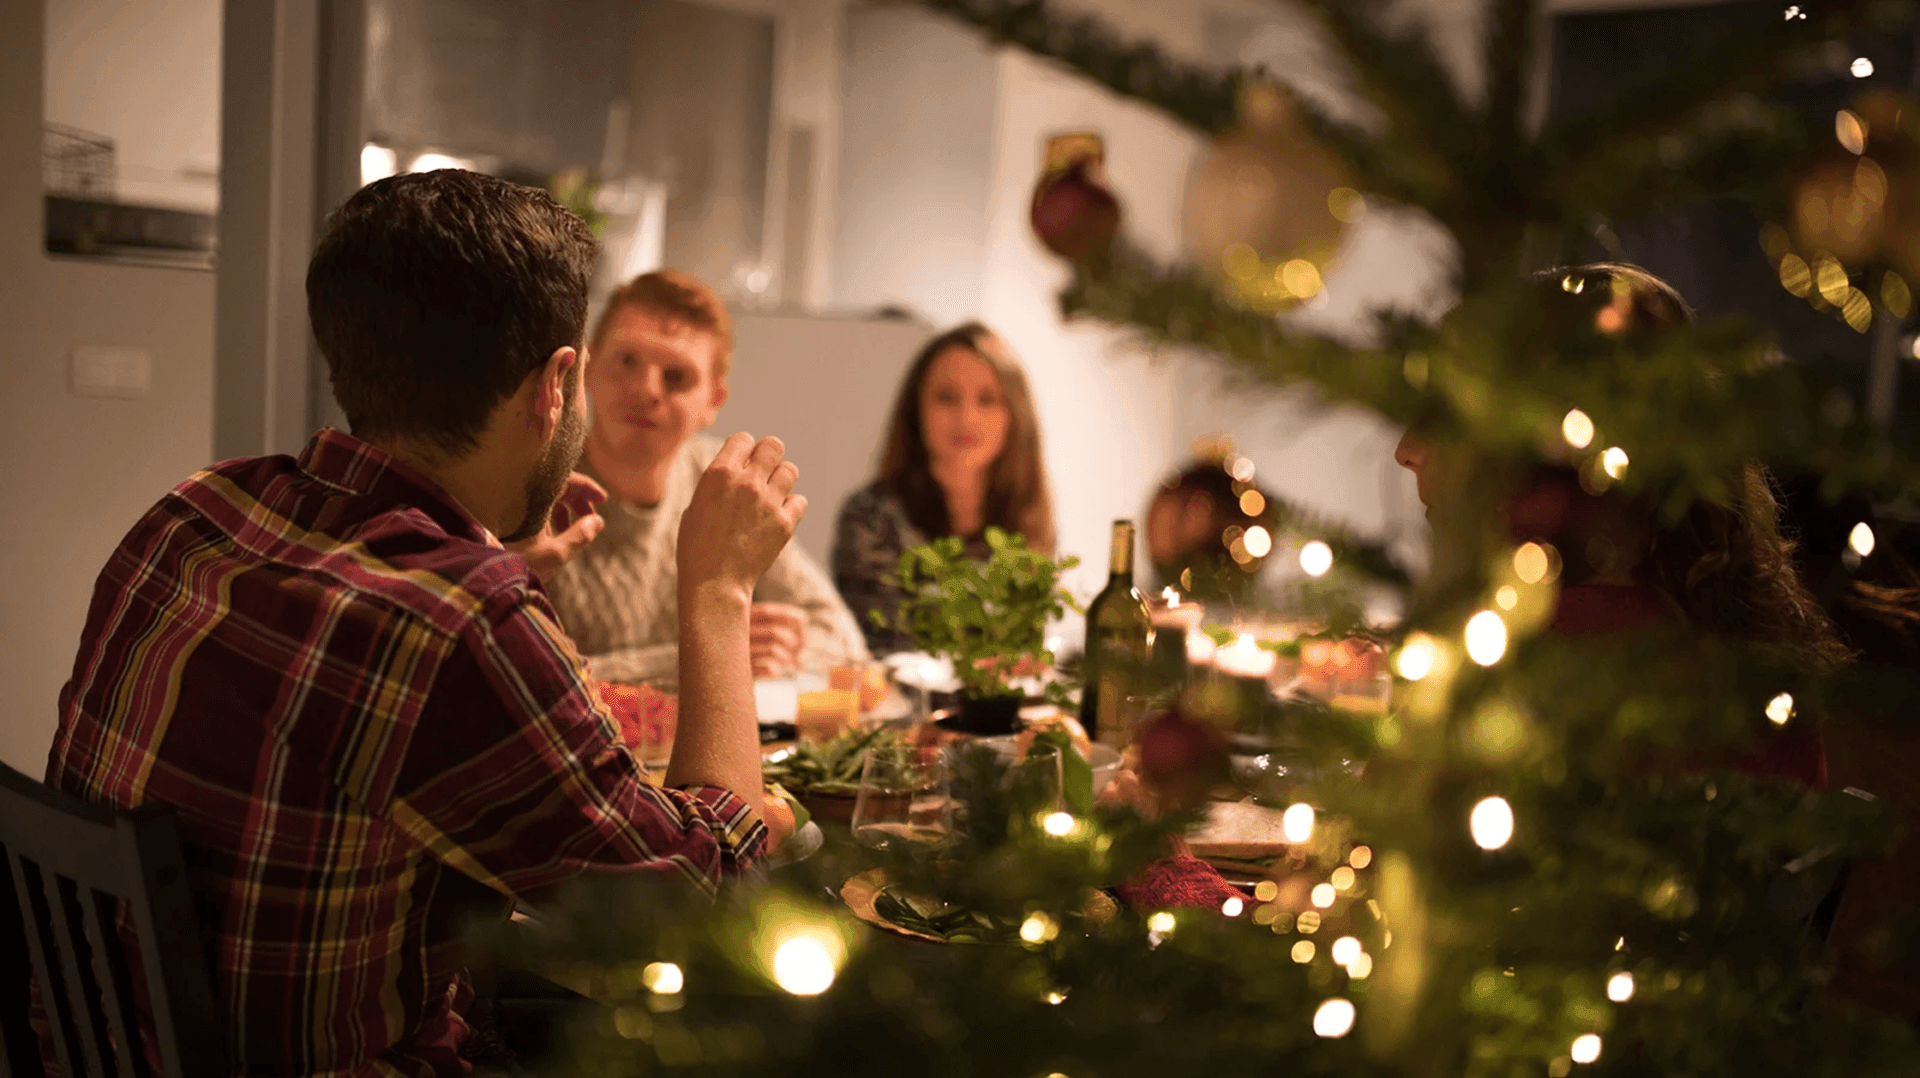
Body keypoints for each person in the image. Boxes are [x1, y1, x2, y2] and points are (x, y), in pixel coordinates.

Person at [43, 170, 797, 1076]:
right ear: (558, 383)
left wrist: (501, 573)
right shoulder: (459, 622)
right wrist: (717, 590)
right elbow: (703, 909)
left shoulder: (197, 511)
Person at [545, 270, 868, 686]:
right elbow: (533, 679)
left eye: (676, 376)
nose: (647, 390)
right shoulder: (538, 487)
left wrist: (783, 651)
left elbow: (844, 638)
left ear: (714, 400)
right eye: (628, 361)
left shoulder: (725, 485)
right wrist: (714, 651)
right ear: (587, 367)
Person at [832, 322, 1056, 654]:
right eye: (946, 397)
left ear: (1015, 414)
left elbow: (1024, 653)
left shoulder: (1028, 515)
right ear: (916, 409)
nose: (966, 417)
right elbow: (884, 652)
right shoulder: (871, 517)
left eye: (987, 399)